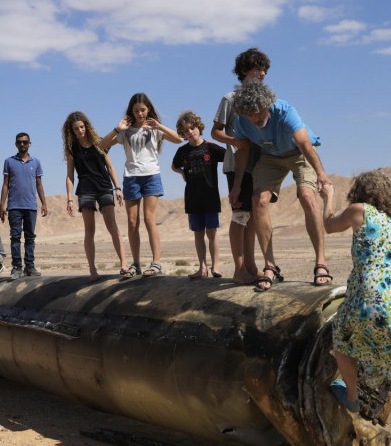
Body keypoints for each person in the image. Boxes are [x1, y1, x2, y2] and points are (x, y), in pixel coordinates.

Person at [321, 171, 391, 446]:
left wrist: (327, 198)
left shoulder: (360, 211)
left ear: (361, 193)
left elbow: (329, 226)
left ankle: (351, 396)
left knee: (341, 334)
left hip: (375, 297)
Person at [228, 81, 332, 291]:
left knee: (307, 196)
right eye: (250, 114)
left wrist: (321, 173)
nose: (255, 118)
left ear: (268, 104)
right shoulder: (242, 120)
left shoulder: (285, 111)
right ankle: (270, 266)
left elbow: (304, 143)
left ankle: (321, 263)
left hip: (299, 153)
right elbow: (242, 151)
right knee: (258, 200)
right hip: (271, 157)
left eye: (258, 112)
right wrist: (237, 185)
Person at [100, 93, 183, 278]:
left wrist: (159, 125)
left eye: (143, 110)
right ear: (131, 111)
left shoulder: (155, 129)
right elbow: (102, 145)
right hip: (131, 178)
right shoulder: (125, 131)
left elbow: (179, 139)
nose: (140, 113)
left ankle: (156, 263)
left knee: (149, 219)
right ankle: (136, 264)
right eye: (136, 110)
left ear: (148, 110)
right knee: (132, 222)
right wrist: (117, 128)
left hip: (151, 176)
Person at [211, 47, 274, 284]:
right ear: (245, 70)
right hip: (236, 164)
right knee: (239, 214)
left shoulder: (266, 99)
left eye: (265, 69)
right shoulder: (230, 99)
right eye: (258, 68)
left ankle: (251, 266)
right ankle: (239, 270)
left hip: (258, 164)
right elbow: (215, 132)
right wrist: (235, 141)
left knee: (251, 216)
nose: (263, 74)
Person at [62, 111, 129, 282]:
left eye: (82, 127)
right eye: (76, 129)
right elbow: (70, 175)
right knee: (89, 230)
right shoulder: (71, 149)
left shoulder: (99, 142)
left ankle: (124, 264)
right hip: (85, 189)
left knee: (112, 227)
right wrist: (69, 198)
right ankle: (92, 269)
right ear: (72, 131)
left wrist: (118, 188)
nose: (80, 131)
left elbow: (111, 167)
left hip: (104, 186)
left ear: (86, 126)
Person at [171, 110, 227, 279]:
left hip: (210, 196)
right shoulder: (183, 152)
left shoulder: (211, 147)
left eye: (192, 128)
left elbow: (230, 157)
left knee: (212, 233)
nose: (190, 132)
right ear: (183, 133)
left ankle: (215, 267)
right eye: (186, 131)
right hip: (193, 198)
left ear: (198, 127)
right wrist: (183, 174)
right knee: (198, 233)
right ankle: (202, 268)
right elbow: (174, 166)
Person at [0, 132, 48, 279]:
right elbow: (5, 184)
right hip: (14, 206)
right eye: (19, 142)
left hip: (31, 206)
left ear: (29, 144)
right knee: (15, 237)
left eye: (25, 142)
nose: (22, 144)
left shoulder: (36, 162)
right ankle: (16, 267)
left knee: (30, 237)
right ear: (15, 144)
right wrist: (2, 204)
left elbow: (39, 184)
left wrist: (44, 203)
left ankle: (30, 267)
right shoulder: (9, 161)